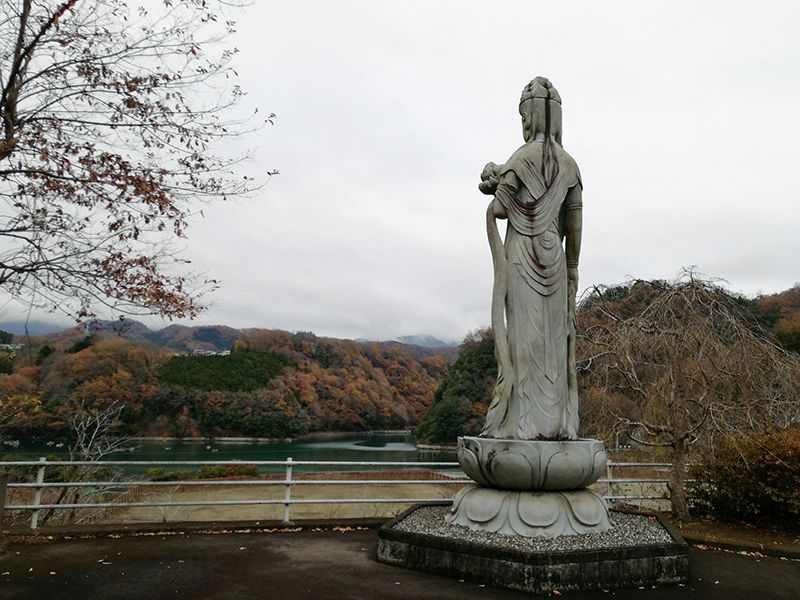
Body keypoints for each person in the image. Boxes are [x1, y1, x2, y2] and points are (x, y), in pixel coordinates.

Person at [479, 76, 583, 440]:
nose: (523, 124)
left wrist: (494, 182)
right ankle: (558, 424)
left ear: (532, 117)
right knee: (554, 344)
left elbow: (501, 209)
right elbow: (575, 221)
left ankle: (521, 425)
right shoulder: (570, 166)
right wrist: (572, 269)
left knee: (525, 343)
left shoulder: (519, 159)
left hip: (524, 255)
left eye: (524, 116)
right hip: (556, 259)